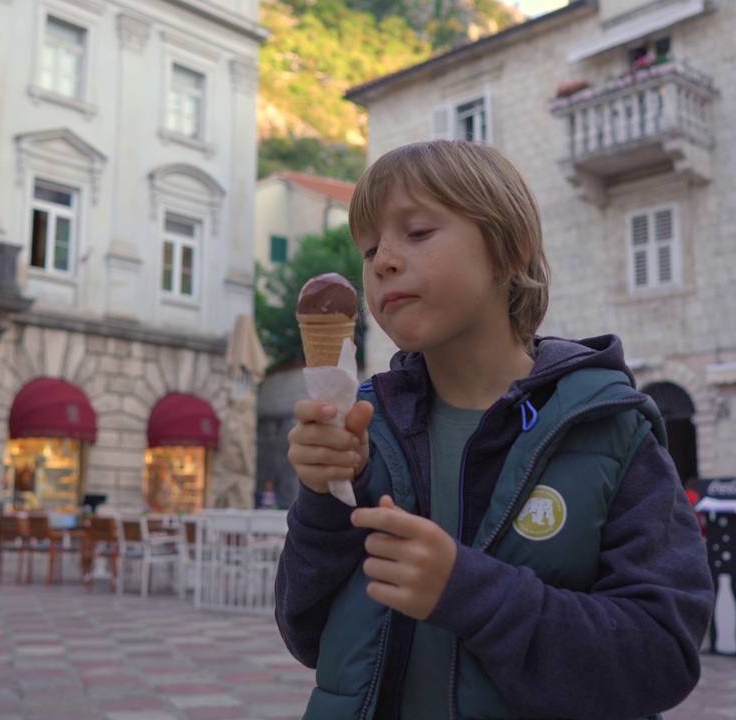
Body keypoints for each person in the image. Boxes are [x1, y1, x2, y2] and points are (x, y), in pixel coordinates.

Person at [275, 140, 713, 719]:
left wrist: (467, 591)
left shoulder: (611, 432)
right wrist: (324, 499)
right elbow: (303, 631)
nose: (381, 261)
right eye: (370, 247)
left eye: (418, 232)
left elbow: (662, 655)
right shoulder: (363, 429)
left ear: (510, 251)